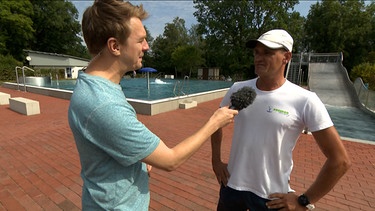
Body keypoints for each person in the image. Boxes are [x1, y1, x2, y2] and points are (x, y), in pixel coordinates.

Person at [67, 0, 238, 210]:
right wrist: (214, 122)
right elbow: (170, 160)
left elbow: (107, 141)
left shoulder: (94, 84)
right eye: (141, 40)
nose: (147, 46)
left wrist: (138, 157)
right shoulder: (104, 105)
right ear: (115, 46)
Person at [211, 29, 351, 211]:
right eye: (256, 52)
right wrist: (216, 161)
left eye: (267, 53)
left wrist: (305, 200)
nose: (258, 58)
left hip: (271, 198)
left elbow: (340, 161)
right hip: (231, 188)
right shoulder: (238, 88)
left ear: (286, 57)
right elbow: (215, 123)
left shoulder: (305, 99)